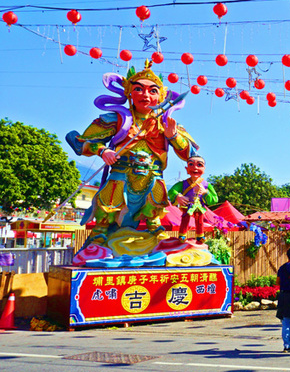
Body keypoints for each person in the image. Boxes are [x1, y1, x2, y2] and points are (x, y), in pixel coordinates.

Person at [66, 60, 196, 245]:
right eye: (139, 89)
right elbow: (82, 142)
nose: (146, 95)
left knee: (155, 206)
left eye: (153, 91)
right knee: (108, 209)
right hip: (122, 175)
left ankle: (155, 229)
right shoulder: (117, 118)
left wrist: (173, 136)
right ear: (129, 92)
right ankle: (99, 236)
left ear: (161, 96)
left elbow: (190, 155)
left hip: (153, 177)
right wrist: (103, 150)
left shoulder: (166, 123)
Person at [167, 155, 218, 243]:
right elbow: (172, 191)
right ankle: (182, 235)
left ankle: (200, 236)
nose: (195, 167)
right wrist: (178, 196)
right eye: (191, 164)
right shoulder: (183, 184)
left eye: (199, 165)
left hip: (199, 206)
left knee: (200, 220)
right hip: (187, 205)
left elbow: (215, 199)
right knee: (185, 219)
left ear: (204, 169)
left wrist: (205, 192)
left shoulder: (206, 185)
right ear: (186, 169)